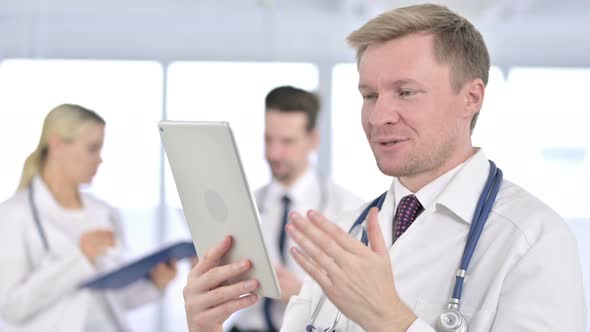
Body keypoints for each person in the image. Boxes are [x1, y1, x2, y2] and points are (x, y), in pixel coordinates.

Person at [182, 4, 586, 332]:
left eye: (406, 92)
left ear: (471, 97)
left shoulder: (534, 241)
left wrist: (391, 321)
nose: (379, 116)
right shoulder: (342, 233)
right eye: (369, 94)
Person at [0, 104, 179, 332]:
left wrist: (155, 283)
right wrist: (80, 259)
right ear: (57, 145)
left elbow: (115, 300)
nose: (99, 159)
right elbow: (11, 307)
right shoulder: (13, 214)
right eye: (93, 149)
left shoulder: (104, 213)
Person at [229, 86, 363, 331]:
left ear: (313, 140)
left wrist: (304, 295)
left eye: (287, 142)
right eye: (268, 139)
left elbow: (363, 307)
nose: (274, 153)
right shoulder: (245, 205)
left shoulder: (348, 208)